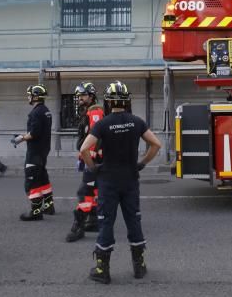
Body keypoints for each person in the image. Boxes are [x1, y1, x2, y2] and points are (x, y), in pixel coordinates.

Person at [79, 81, 162, 284]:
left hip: (108, 181)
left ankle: (102, 269)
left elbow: (84, 149)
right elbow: (156, 144)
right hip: (130, 180)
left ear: (108, 101)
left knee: (106, 222)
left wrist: (93, 167)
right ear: (127, 101)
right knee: (133, 220)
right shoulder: (136, 121)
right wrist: (141, 163)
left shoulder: (103, 124)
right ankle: (139, 266)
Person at [66, 82, 106, 242]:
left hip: (93, 160)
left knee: (85, 193)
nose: (80, 98)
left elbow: (95, 137)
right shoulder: (88, 111)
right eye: (79, 96)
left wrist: (89, 158)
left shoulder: (95, 111)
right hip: (92, 158)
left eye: (82, 95)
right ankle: (94, 221)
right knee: (94, 191)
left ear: (91, 96)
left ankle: (78, 226)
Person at [14, 84, 54, 221]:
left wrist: (20, 138)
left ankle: (36, 211)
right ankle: (49, 206)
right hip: (43, 151)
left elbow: (34, 133)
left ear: (35, 96)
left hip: (35, 152)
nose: (28, 97)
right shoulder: (46, 110)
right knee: (42, 178)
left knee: (31, 182)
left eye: (29, 94)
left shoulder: (36, 112)